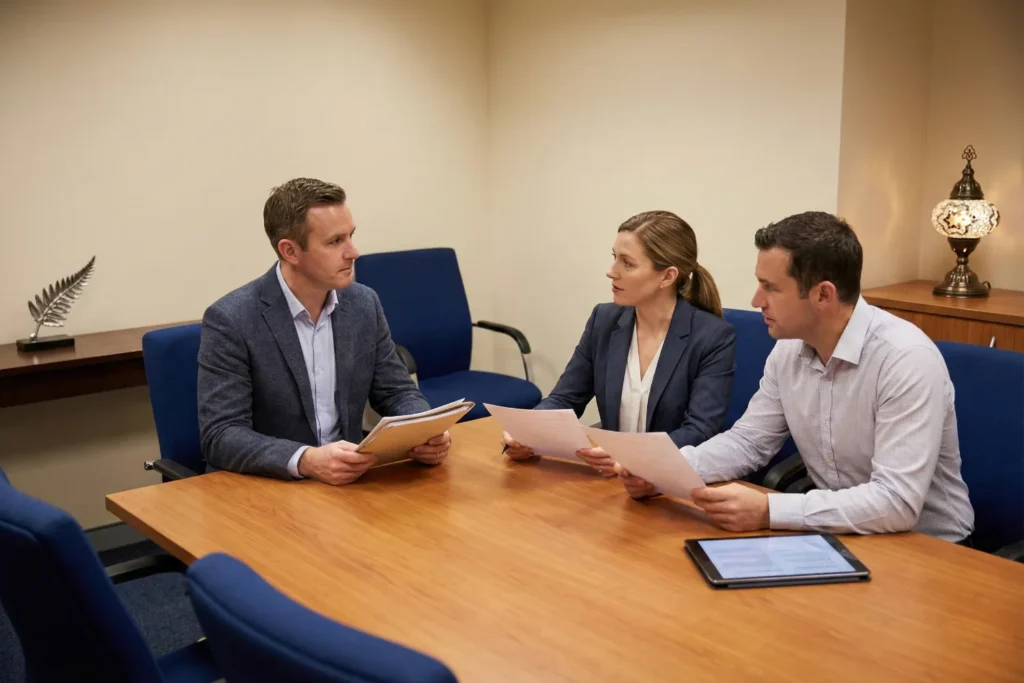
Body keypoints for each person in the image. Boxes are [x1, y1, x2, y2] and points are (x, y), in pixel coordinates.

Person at [618, 211, 974, 543]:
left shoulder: (904, 359)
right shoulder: (789, 350)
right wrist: (664, 472)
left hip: (932, 549)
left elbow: (896, 502)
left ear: (823, 295)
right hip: (840, 533)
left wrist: (769, 510)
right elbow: (749, 442)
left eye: (770, 287)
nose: (757, 300)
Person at [197, 178, 450, 486]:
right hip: (269, 486)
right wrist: (305, 459)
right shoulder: (231, 319)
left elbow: (396, 391)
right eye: (335, 242)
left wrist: (421, 429)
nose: (353, 252)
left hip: (347, 481)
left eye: (351, 236)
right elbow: (222, 435)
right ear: (290, 251)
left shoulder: (362, 304)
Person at [503, 210, 736, 483]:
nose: (611, 272)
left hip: (668, 484)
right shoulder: (604, 319)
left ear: (667, 276)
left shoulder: (712, 336)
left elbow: (700, 430)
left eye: (627, 263)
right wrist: (528, 432)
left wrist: (632, 458)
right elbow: (565, 398)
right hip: (610, 482)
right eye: (614, 258)